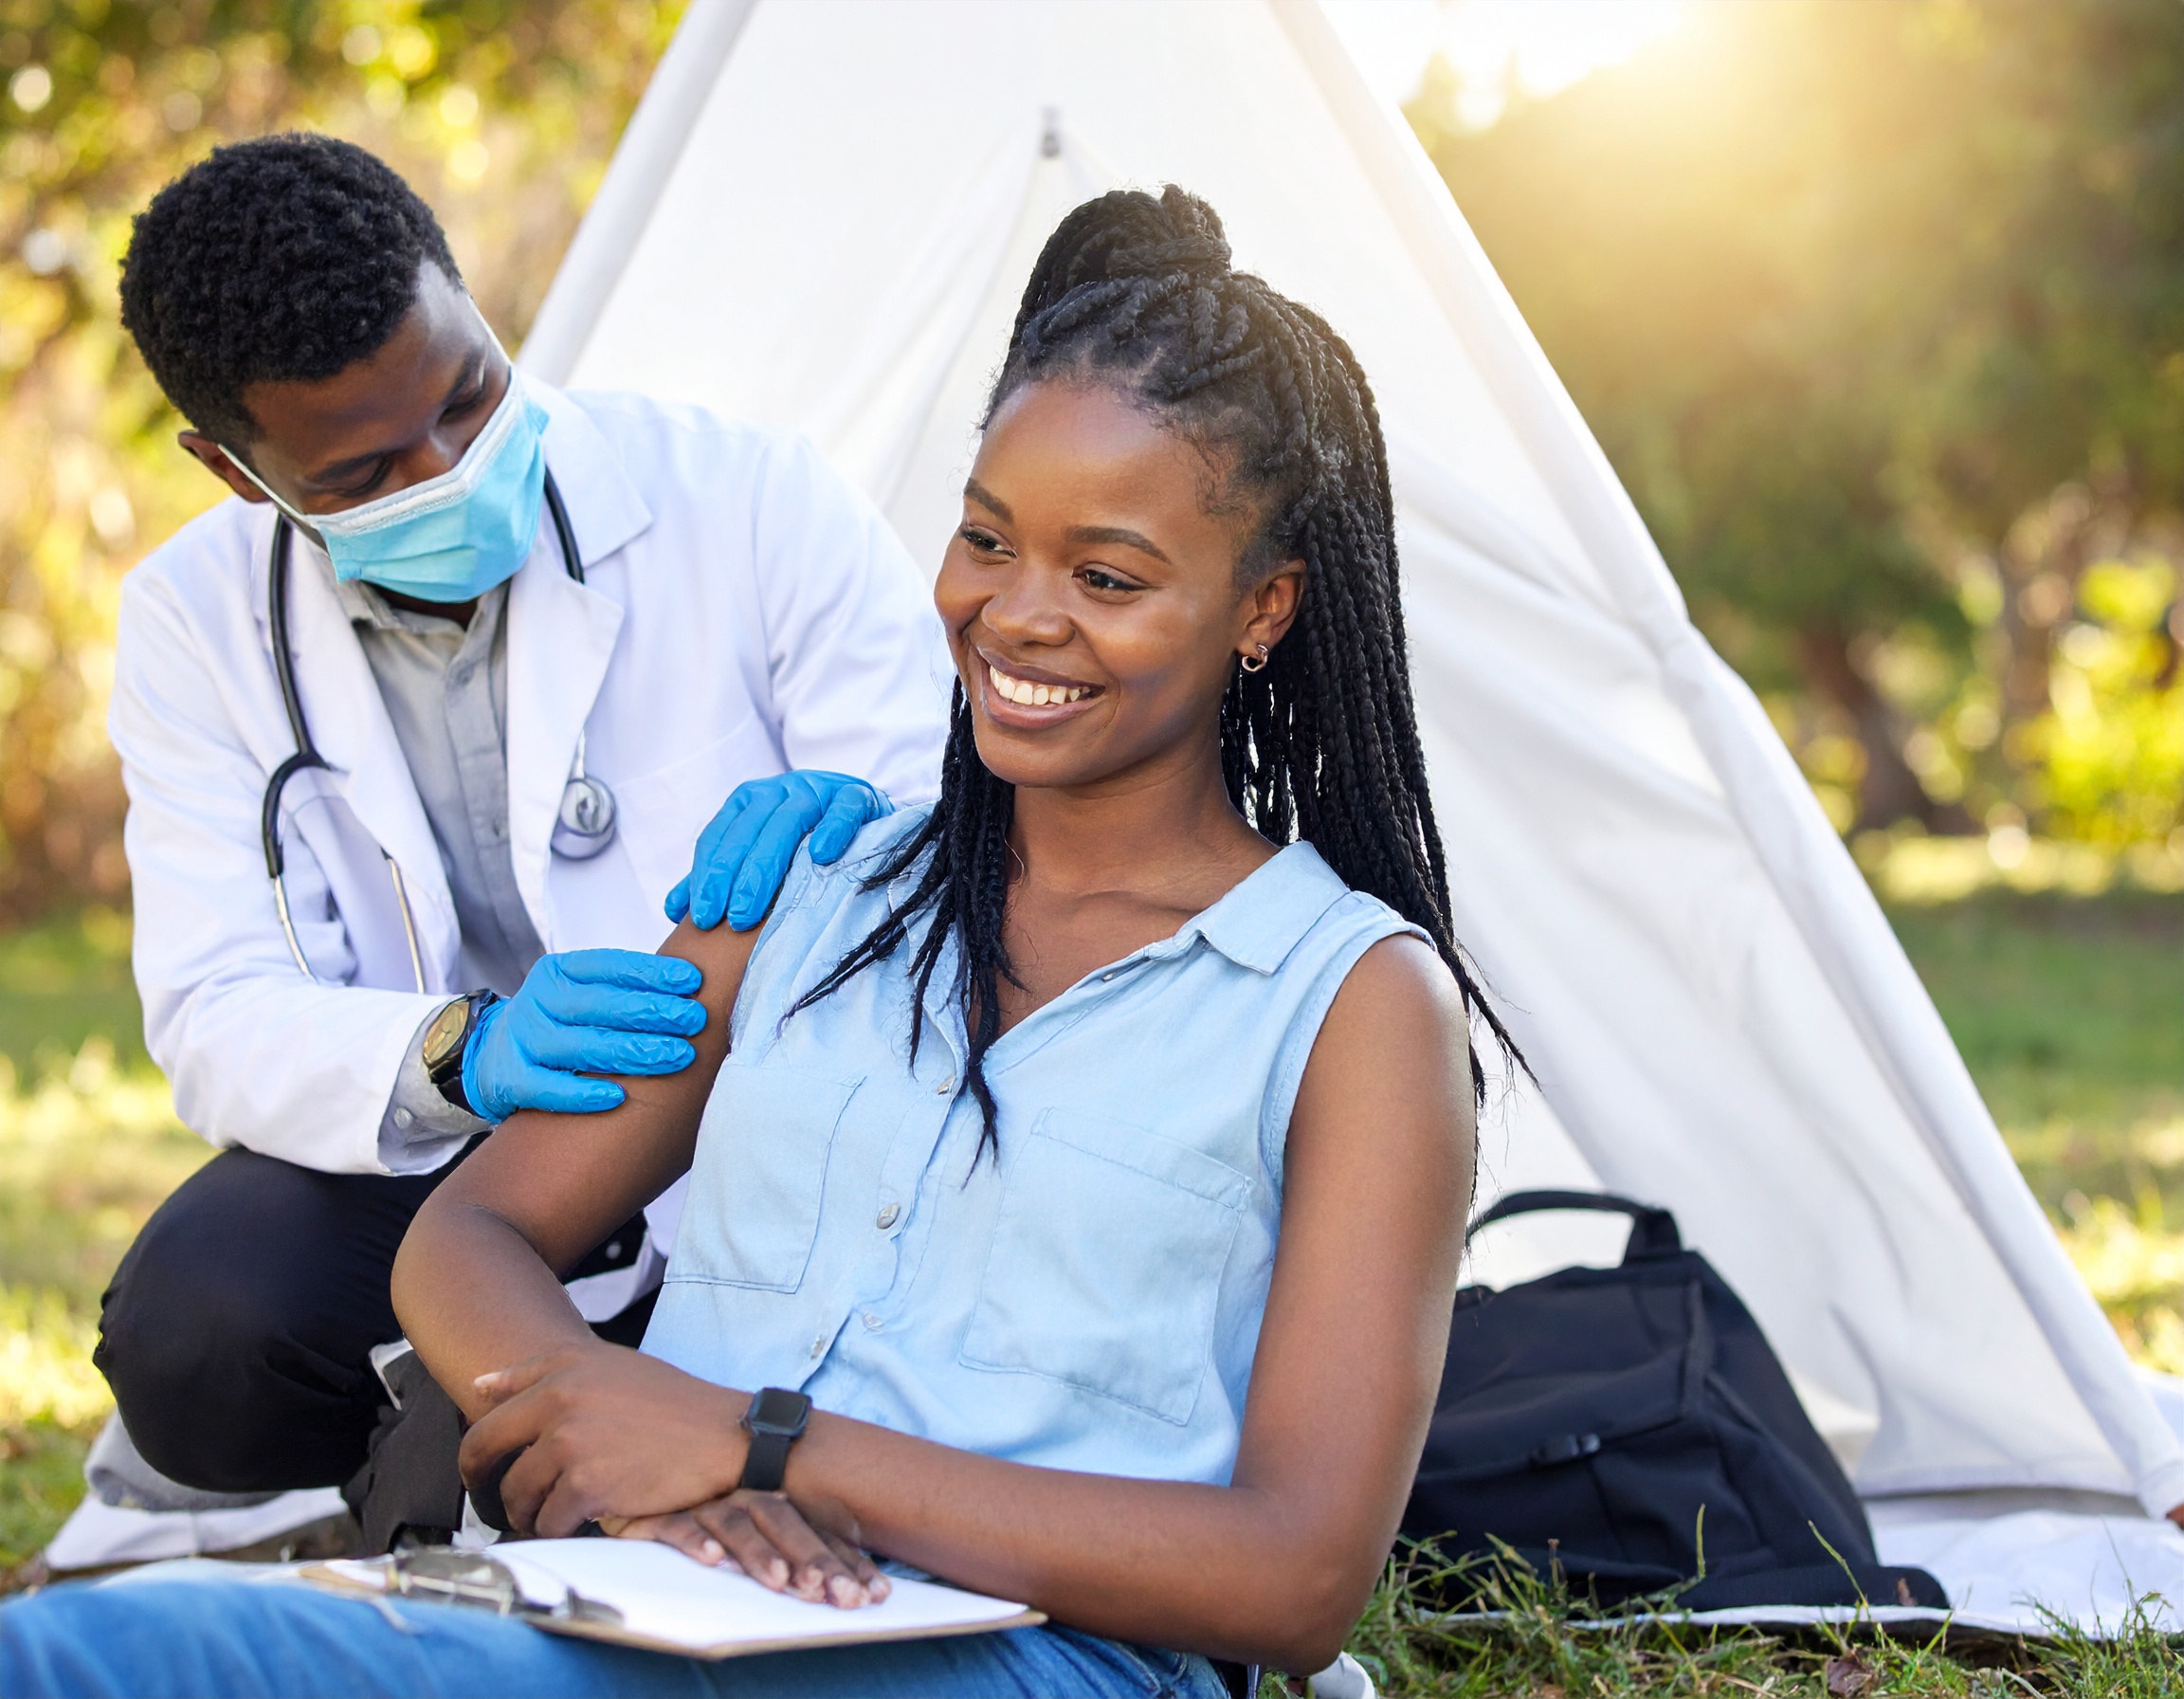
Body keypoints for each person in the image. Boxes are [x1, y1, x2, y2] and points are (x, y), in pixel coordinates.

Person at [3, 187, 1517, 1696]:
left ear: (1264, 606)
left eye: (1106, 577)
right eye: (986, 538)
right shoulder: (814, 890)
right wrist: (595, 1408)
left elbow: (1300, 1574)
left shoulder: (1351, 1005)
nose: (1017, 615)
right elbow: (468, 1231)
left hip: (1015, 1654)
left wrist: (757, 1446)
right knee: (87, 1654)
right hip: (644, 1593)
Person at [86, 134, 947, 1510]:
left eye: (471, 399)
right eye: (367, 477)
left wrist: (870, 832)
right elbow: (214, 1006)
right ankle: (460, 1422)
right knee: (202, 1330)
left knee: (501, 1478)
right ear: (234, 471)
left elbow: (939, 831)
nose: (447, 469)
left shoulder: (749, 498)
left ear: (473, 307)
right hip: (463, 1160)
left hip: (764, 1131)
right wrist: (462, 1053)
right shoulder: (193, 628)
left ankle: (471, 1441)